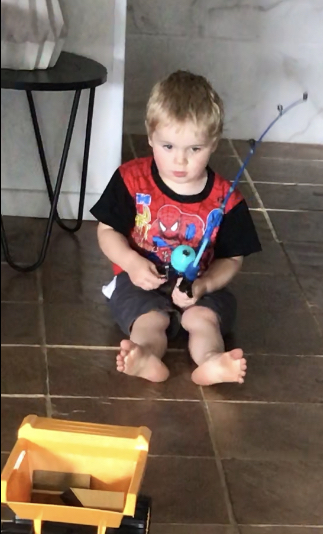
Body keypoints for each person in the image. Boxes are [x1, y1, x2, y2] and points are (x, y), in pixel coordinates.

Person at [90, 71, 262, 385]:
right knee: (149, 319)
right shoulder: (131, 180)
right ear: (150, 137)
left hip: (199, 286)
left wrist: (204, 286)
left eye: (194, 149)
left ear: (213, 144)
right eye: (168, 146)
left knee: (204, 319)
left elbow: (232, 259)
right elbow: (106, 231)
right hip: (140, 282)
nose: (180, 161)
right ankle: (146, 356)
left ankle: (212, 361)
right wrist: (132, 263)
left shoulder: (227, 199)